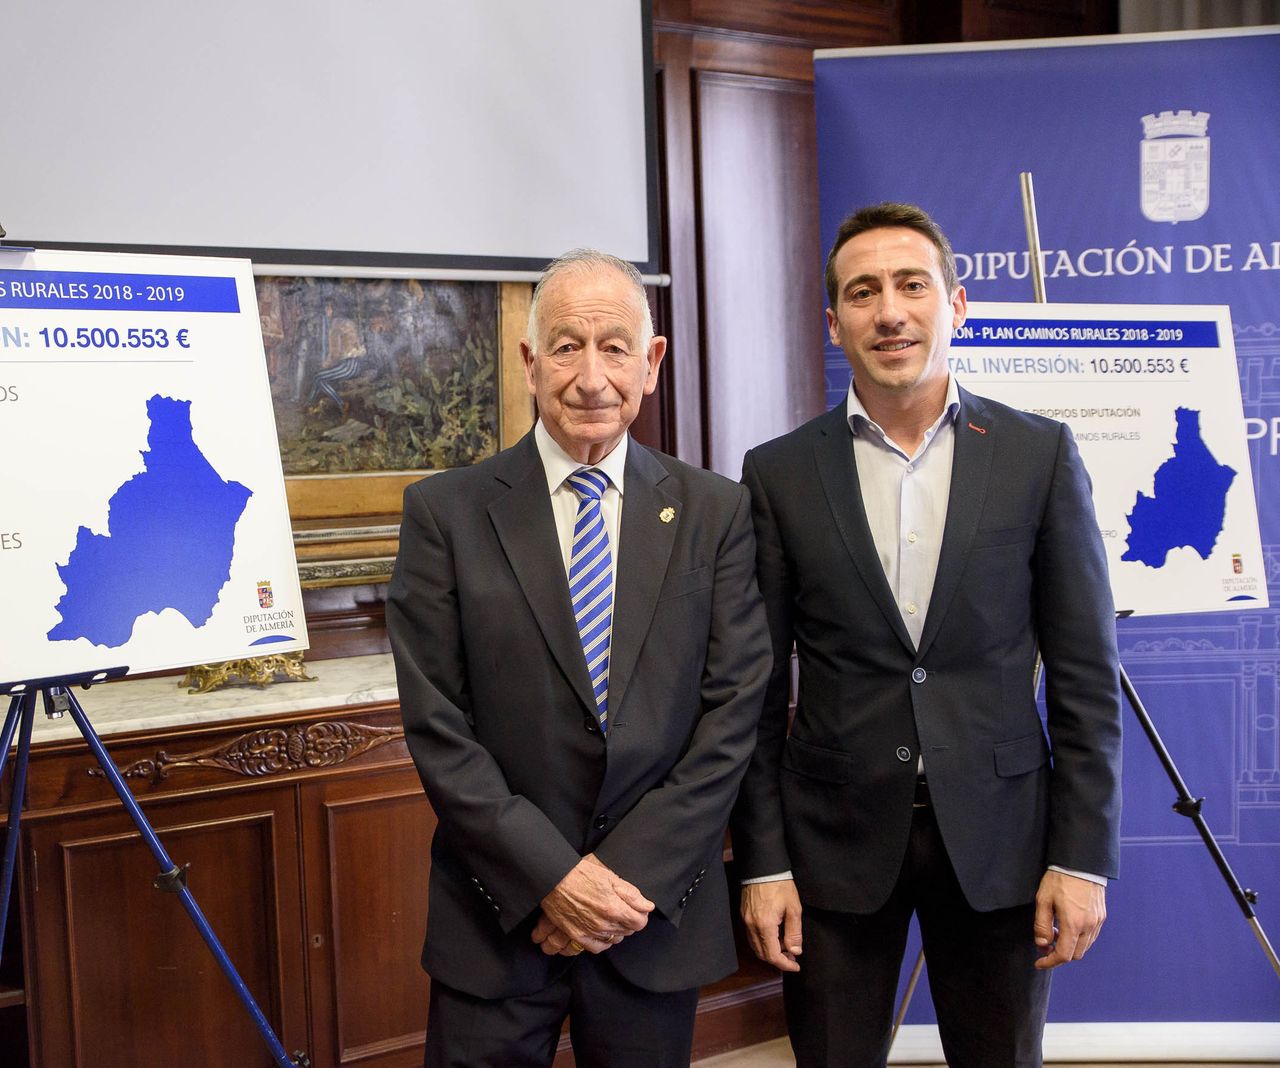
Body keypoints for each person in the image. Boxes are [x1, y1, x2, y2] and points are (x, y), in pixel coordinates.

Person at [733, 202, 1123, 1066]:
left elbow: (1086, 678)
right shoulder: (779, 474)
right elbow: (752, 698)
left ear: (956, 304)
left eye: (912, 285)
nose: (890, 312)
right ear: (834, 323)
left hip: (1002, 843)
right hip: (831, 849)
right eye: (863, 293)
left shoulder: (1039, 456)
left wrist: (1083, 858)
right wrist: (762, 864)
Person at [388, 249, 771, 1067]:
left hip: (648, 914)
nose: (591, 376)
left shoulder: (716, 512)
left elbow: (733, 713)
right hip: (497, 913)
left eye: (614, 347)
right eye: (566, 346)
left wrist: (617, 883)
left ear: (652, 362)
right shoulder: (445, 514)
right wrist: (553, 880)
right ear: (530, 363)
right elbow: (437, 726)